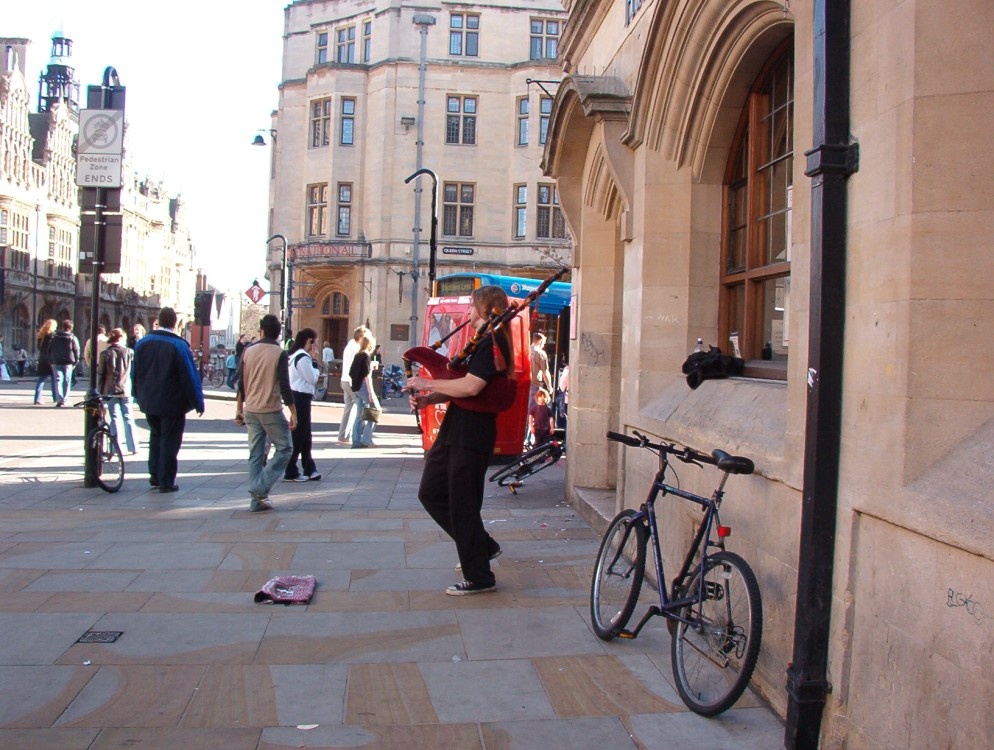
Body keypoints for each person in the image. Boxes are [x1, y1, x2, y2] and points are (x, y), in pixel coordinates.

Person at [407, 285, 513, 595]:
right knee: (430, 492)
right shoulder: (479, 342)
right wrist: (430, 399)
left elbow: (472, 387)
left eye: (472, 305)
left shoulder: (493, 342)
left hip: (473, 433)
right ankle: (483, 546)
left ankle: (480, 577)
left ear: (485, 309)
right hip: (456, 429)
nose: (468, 311)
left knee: (463, 505)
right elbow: (460, 387)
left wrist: (426, 381)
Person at [132, 307, 205, 493]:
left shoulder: (142, 343)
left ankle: (154, 474)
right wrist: (198, 401)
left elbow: (135, 373)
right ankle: (166, 481)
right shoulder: (179, 345)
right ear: (174, 323)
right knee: (170, 441)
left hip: (149, 400)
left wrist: (137, 394)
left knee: (155, 436)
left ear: (158, 321)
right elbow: (190, 375)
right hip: (172, 402)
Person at [235, 314, 297, 511]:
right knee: (285, 448)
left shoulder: (248, 351)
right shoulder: (278, 353)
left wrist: (239, 409)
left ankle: (257, 501)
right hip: (270, 408)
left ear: (261, 331)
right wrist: (293, 412)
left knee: (256, 453)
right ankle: (258, 488)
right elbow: (285, 386)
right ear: (278, 333)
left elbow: (241, 383)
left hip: (251, 408)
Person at [285, 327, 322, 482]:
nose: (316, 346)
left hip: (300, 396)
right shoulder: (303, 358)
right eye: (315, 342)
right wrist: (315, 362)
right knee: (300, 435)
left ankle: (309, 468)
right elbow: (312, 378)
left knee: (305, 435)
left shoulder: (296, 355)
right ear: (310, 341)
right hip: (301, 397)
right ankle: (291, 469)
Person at [98, 328, 139, 455]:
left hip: (110, 389)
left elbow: (101, 375)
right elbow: (133, 372)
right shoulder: (129, 352)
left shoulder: (105, 354)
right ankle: (133, 446)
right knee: (128, 417)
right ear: (121, 338)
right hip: (126, 388)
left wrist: (100, 393)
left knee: (114, 418)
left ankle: (115, 447)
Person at [337, 325, 370, 444]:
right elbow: (357, 368)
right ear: (361, 337)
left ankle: (343, 434)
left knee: (349, 408)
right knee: (361, 408)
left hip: (345, 379)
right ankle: (359, 436)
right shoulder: (357, 348)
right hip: (352, 382)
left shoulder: (349, 345)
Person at [349, 333, 380, 448]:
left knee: (359, 415)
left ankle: (356, 440)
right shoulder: (366, 356)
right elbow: (367, 376)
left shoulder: (358, 355)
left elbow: (351, 372)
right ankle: (367, 439)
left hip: (355, 387)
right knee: (375, 410)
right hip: (363, 386)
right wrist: (370, 392)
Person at [49, 319, 81, 407]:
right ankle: (65, 399)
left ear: (62, 327)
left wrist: (51, 360)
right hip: (68, 362)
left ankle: (59, 399)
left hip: (56, 361)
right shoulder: (72, 338)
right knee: (67, 381)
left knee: (58, 380)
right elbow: (76, 350)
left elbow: (50, 349)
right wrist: (76, 361)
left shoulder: (55, 337)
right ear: (71, 328)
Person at [34, 319, 58, 404]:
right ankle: (56, 398)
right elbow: (53, 348)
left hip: (42, 359)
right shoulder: (53, 336)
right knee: (54, 380)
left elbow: (39, 348)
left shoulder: (41, 335)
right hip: (50, 359)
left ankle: (37, 398)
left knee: (41, 379)